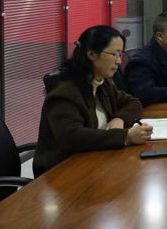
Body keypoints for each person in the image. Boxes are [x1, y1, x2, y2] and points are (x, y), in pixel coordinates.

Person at [33, 26, 152, 176]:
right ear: (91, 54)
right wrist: (126, 137)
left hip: (95, 160)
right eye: (114, 54)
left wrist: (119, 118)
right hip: (62, 172)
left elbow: (133, 102)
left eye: (120, 54)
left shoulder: (102, 82)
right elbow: (73, 137)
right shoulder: (64, 92)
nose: (118, 61)